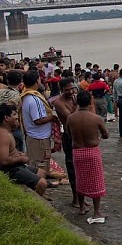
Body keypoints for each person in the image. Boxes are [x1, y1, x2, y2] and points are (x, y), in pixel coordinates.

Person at [67, 90, 109, 223]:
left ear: (77, 102)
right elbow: (105, 134)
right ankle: (96, 212)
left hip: (77, 151)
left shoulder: (71, 118)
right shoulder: (96, 118)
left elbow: (68, 133)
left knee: (80, 178)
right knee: (96, 180)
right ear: (90, 102)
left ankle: (82, 207)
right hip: (91, 151)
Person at [0, 102, 48, 198]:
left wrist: (19, 154)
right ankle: (34, 203)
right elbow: (3, 161)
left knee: (41, 172)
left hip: (16, 165)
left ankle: (39, 196)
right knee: (42, 183)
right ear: (6, 118)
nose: (17, 117)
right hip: (11, 170)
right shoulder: (3, 135)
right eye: (14, 115)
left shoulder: (8, 132)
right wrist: (20, 159)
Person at [21, 70, 58, 175]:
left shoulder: (26, 96)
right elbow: (38, 120)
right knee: (40, 165)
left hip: (33, 136)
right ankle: (40, 185)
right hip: (39, 138)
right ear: (37, 81)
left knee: (35, 163)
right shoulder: (33, 99)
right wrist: (52, 117)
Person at [52, 77, 79, 207]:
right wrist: (80, 105)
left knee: (80, 167)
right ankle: (75, 197)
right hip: (69, 137)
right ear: (62, 90)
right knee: (72, 167)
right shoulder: (59, 102)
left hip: (79, 135)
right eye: (67, 90)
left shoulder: (74, 98)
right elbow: (71, 117)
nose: (71, 91)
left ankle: (81, 196)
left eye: (72, 88)